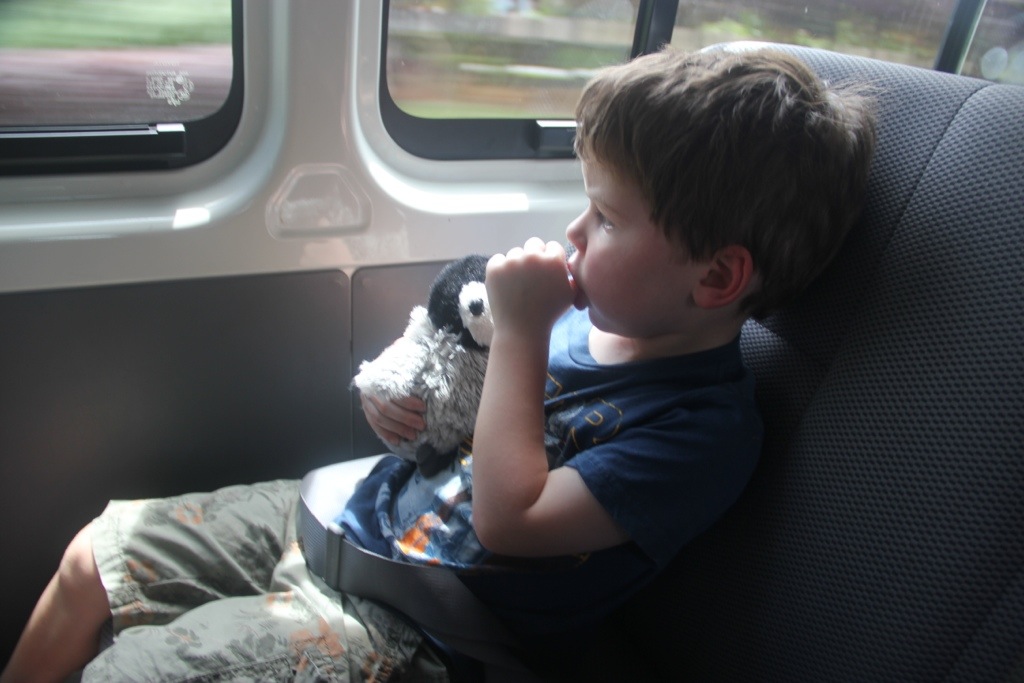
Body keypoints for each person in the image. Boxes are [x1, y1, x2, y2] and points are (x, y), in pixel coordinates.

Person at [1, 46, 876, 682]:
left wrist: (523, 332)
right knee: (98, 556)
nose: (575, 232)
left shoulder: (703, 433)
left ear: (717, 277)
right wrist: (404, 413)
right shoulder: (584, 319)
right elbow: (459, 399)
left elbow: (511, 519)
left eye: (607, 219)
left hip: (422, 633)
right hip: (359, 516)